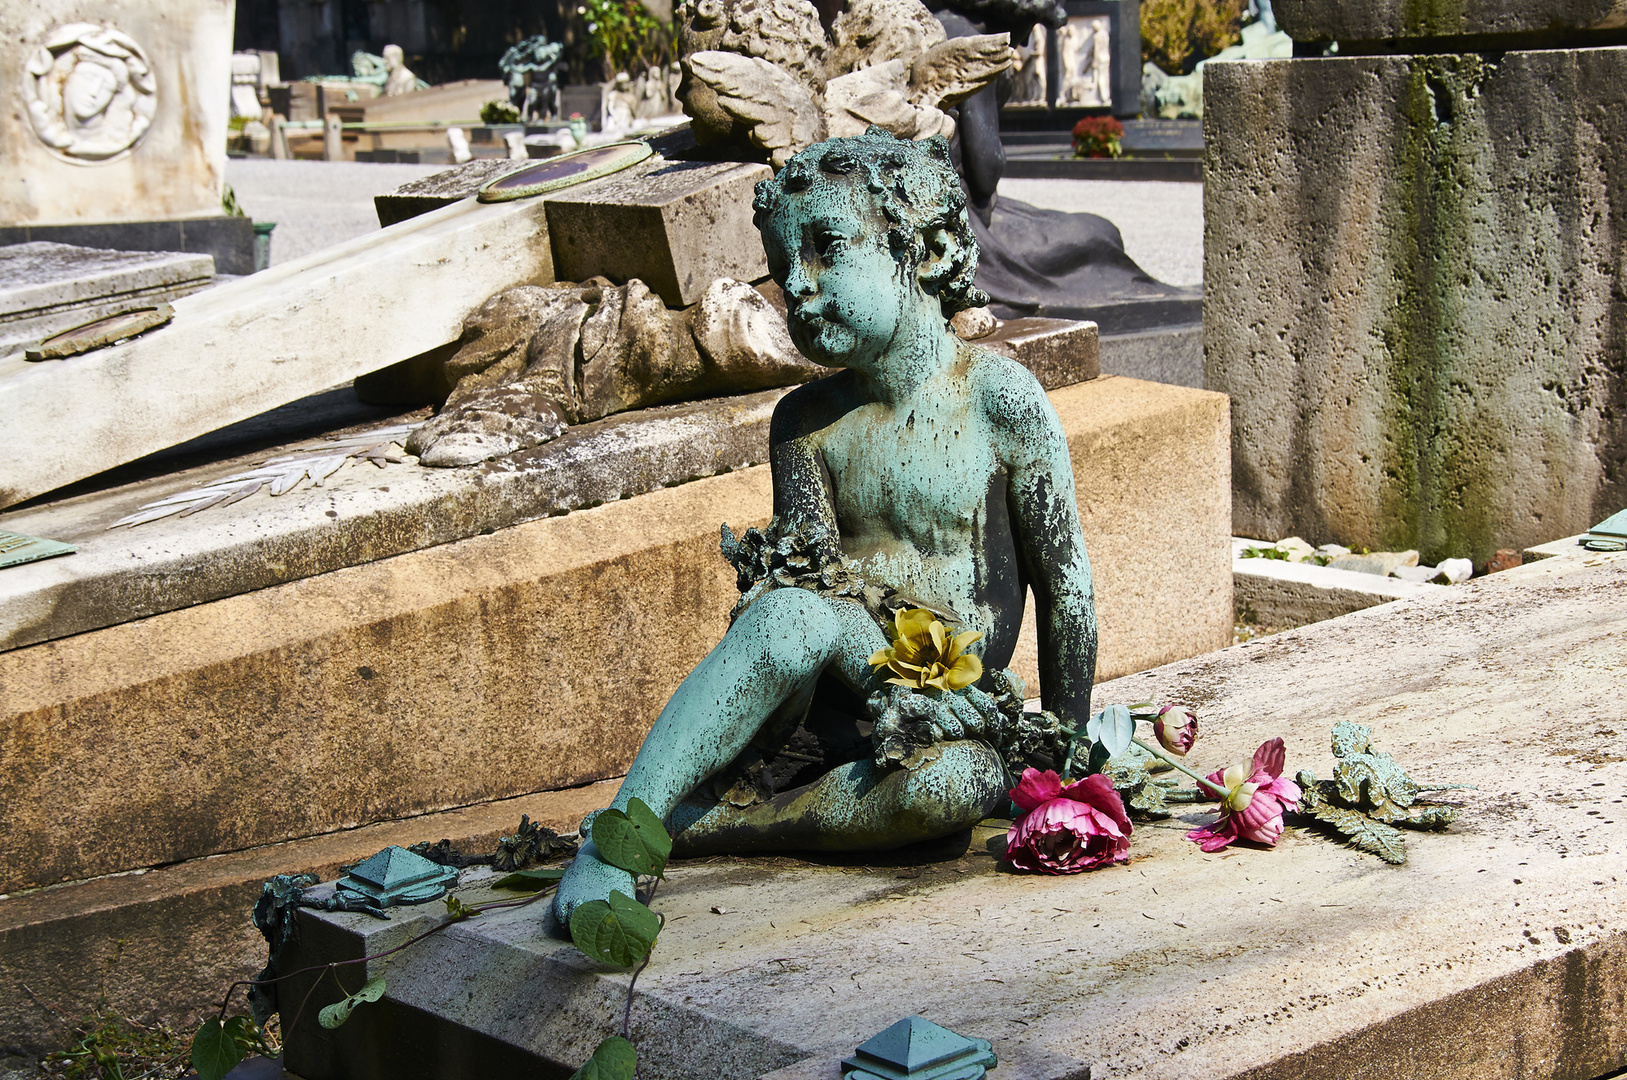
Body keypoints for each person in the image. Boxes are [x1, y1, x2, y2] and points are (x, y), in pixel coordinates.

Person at [553, 128, 1097, 920]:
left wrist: (1068, 758)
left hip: (944, 719)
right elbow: (804, 587)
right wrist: (878, 674)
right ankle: (614, 840)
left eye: (825, 249)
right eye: (782, 269)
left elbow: (1065, 584)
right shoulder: (805, 423)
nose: (796, 288)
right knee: (786, 616)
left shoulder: (997, 397)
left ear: (926, 250)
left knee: (956, 787)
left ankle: (707, 827)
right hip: (831, 701)